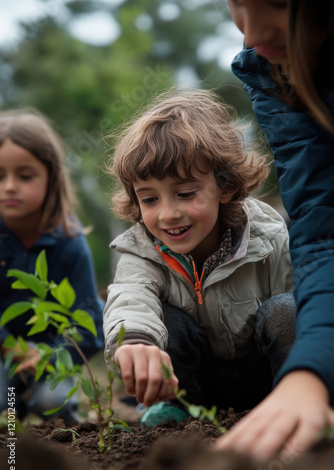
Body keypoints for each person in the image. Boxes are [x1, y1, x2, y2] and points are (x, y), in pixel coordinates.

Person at [103, 89, 295, 428]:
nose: (167, 214)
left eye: (185, 193)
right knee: (162, 318)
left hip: (265, 378)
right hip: (194, 385)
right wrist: (134, 339)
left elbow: (303, 311)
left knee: (287, 310)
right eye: (149, 199)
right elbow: (131, 296)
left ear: (225, 188)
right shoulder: (141, 248)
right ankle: (174, 407)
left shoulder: (269, 236)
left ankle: (297, 400)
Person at [214, 0, 334, 460]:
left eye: (278, 4)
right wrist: (308, 375)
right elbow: (324, 234)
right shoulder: (274, 73)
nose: (250, 33)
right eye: (237, 4)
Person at [0, 108, 105, 422]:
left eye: (25, 175)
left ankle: (41, 401)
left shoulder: (69, 242)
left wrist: (48, 355)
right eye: (0, 175)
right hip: (4, 353)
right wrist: (9, 347)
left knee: (53, 405)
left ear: (52, 178)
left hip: (52, 357)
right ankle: (12, 402)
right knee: (3, 404)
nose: (9, 186)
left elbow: (90, 319)